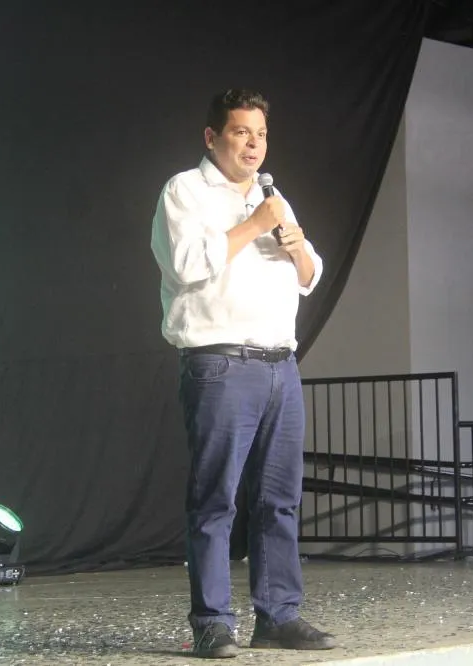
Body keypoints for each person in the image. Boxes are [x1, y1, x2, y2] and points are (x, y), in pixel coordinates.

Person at [150, 89, 335, 659]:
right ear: (212, 138)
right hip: (221, 363)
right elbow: (184, 264)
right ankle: (212, 621)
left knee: (279, 500)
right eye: (240, 132)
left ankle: (278, 615)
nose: (254, 145)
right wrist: (254, 224)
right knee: (216, 499)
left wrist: (297, 248)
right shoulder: (185, 190)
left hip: (281, 365)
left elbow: (311, 275)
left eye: (261, 135)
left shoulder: (272, 197)